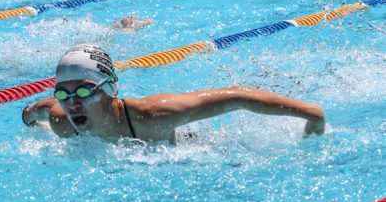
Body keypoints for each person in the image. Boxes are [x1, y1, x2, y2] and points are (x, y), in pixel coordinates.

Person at [21, 44, 326, 142]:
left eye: (85, 91)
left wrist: (310, 113)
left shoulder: (154, 115)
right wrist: (32, 112)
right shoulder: (65, 122)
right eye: (64, 93)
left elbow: (237, 96)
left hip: (187, 141)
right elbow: (49, 108)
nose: (73, 103)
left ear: (111, 88)